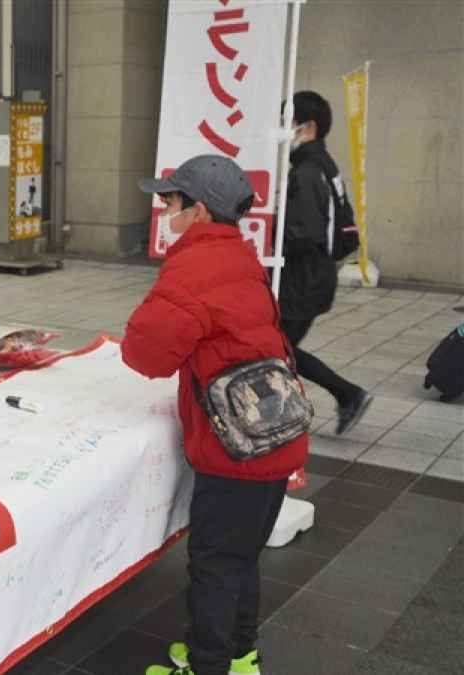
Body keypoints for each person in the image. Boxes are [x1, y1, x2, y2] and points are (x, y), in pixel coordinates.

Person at [123, 156, 309, 675]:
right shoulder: (240, 256)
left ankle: (208, 666)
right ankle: (240, 655)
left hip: (238, 449)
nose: (166, 211)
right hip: (276, 435)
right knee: (240, 557)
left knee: (215, 563)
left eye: (172, 202)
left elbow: (145, 354)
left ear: (198, 210)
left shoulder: (194, 266)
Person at [282, 90, 372, 434]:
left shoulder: (306, 171)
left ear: (309, 127)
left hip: (304, 280)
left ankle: (346, 395)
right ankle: (346, 395)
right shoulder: (323, 164)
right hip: (315, 277)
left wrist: (272, 235)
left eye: (288, 123)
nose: (283, 130)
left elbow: (305, 232)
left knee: (276, 350)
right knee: (279, 349)